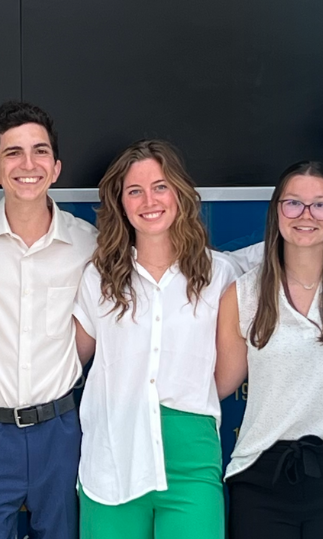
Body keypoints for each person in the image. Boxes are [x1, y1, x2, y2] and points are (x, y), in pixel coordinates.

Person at [0, 101, 100, 539]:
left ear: (56, 166)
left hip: (61, 431)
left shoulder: (89, 244)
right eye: (13, 153)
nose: (28, 164)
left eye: (40, 151)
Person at [214, 161, 323, 539]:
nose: (306, 215)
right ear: (276, 212)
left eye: (320, 205)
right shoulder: (243, 294)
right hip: (263, 476)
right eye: (293, 203)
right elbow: (218, 385)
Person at [72, 139, 233, 539]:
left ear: (179, 192)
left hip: (191, 459)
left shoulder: (219, 275)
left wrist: (183, 393)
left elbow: (229, 370)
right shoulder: (99, 278)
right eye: (135, 190)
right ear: (121, 203)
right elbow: (72, 359)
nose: (149, 200)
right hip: (114, 455)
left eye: (160, 186)